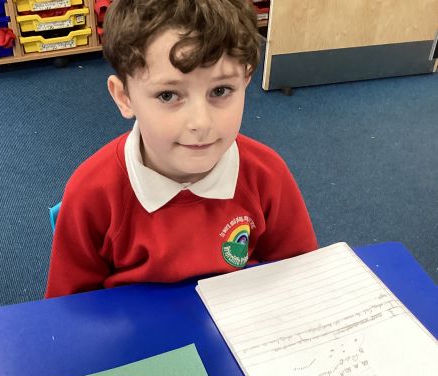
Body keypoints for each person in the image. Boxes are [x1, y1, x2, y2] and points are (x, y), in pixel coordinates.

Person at [45, 0, 317, 298]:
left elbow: (302, 277)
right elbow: (68, 309)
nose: (201, 123)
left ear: (246, 80)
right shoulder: (91, 193)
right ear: (124, 97)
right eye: (168, 95)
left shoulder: (267, 175)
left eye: (221, 90)